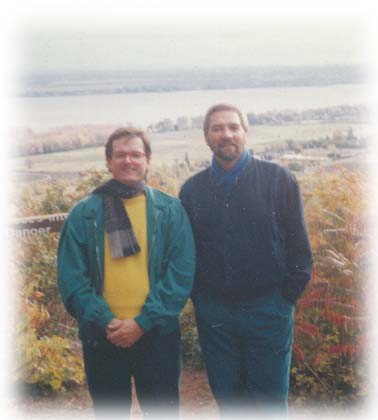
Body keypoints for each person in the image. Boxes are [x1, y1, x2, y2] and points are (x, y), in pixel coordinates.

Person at [179, 104, 313, 416]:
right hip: (216, 317)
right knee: (229, 401)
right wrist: (201, 299)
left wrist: (284, 301)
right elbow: (187, 254)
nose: (226, 134)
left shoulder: (278, 180)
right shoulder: (192, 191)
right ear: (206, 138)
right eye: (217, 128)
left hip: (269, 309)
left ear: (245, 132)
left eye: (232, 127)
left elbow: (300, 250)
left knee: (269, 403)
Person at [57, 127, 195, 418]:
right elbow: (72, 281)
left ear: (147, 160)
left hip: (157, 335)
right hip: (102, 335)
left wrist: (142, 322)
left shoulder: (170, 211)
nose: (128, 161)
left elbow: (180, 275)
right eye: (120, 155)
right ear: (108, 161)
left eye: (136, 154)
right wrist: (107, 321)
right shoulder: (84, 214)